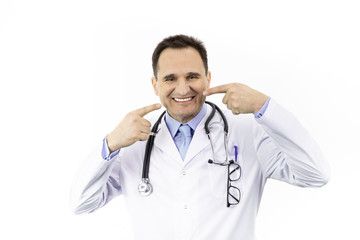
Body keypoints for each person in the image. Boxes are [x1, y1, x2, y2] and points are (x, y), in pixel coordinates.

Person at [70, 34, 330, 240]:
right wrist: (110, 143)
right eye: (170, 78)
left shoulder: (248, 131)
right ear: (154, 84)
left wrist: (265, 106)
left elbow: (316, 174)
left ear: (207, 78)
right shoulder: (132, 143)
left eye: (192, 76)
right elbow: (82, 203)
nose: (183, 88)